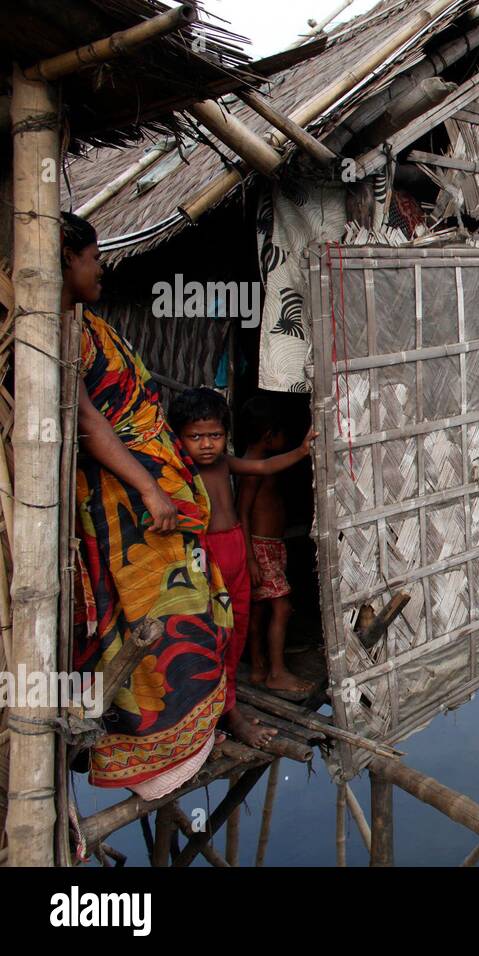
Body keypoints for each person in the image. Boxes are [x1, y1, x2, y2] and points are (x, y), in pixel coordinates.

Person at [64, 212, 230, 798]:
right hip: (126, 508)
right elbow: (89, 426)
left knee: (183, 612)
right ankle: (151, 750)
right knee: (150, 619)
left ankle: (190, 734)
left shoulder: (81, 324)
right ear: (65, 262)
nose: (100, 267)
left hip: (145, 501)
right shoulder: (60, 335)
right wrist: (150, 487)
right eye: (91, 258)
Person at [168, 387, 317, 742]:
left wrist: (301, 451)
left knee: (236, 628)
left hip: (234, 545)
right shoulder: (178, 472)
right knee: (210, 634)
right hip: (207, 555)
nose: (207, 444)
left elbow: (263, 465)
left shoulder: (224, 462)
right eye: (196, 437)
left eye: (215, 436)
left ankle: (227, 706)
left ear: (226, 436)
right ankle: (214, 714)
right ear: (179, 439)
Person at [238, 395, 316, 699]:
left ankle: (258, 666)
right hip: (260, 548)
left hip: (266, 546)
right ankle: (276, 673)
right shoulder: (251, 469)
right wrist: (251, 558)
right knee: (282, 607)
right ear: (270, 435)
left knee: (259, 609)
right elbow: (242, 512)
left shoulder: (254, 462)